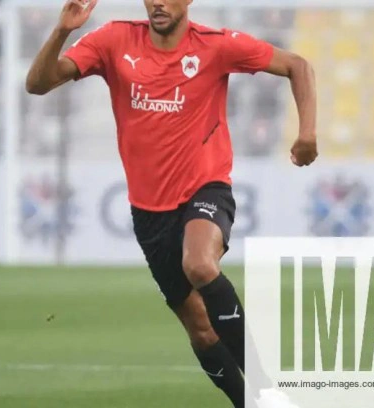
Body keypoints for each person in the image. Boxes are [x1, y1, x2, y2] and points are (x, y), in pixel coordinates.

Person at [26, 1, 318, 406]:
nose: (158, 2)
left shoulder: (216, 46)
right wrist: (62, 31)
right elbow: (38, 84)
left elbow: (298, 65)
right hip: (149, 213)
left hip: (205, 188)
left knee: (199, 264)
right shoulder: (113, 40)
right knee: (201, 329)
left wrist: (307, 133)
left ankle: (268, 389)